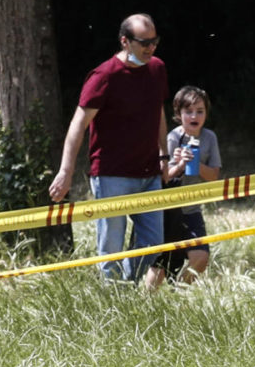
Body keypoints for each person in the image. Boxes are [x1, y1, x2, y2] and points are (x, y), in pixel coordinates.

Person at [50, 14, 169, 283]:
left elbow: (159, 113)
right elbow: (78, 125)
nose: (151, 48)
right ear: (125, 42)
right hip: (111, 176)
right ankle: (113, 303)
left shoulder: (157, 68)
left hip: (150, 173)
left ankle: (129, 291)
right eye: (144, 43)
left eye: (154, 42)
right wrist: (65, 171)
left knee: (154, 247)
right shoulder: (104, 76)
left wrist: (164, 156)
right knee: (111, 250)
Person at [146, 85, 222, 289]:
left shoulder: (209, 138)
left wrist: (196, 165)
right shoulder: (171, 138)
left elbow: (214, 176)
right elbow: (163, 178)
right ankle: (146, 303)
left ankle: (178, 292)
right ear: (179, 114)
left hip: (192, 210)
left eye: (200, 111)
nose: (194, 116)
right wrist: (179, 165)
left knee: (201, 257)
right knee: (160, 263)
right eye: (188, 111)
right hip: (168, 211)